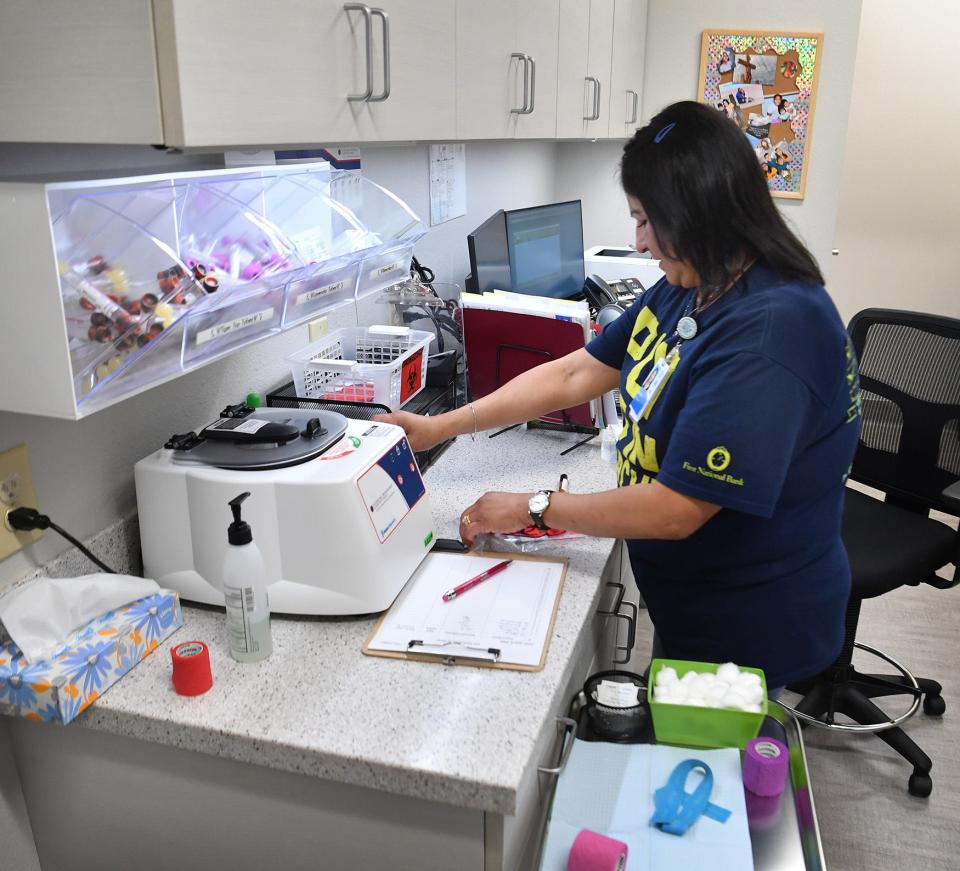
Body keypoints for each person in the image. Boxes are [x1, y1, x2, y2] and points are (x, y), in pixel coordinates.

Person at [376, 101, 861, 690]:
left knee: (722, 771)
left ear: (697, 213)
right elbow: (575, 375)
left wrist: (535, 507)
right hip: (694, 597)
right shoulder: (697, 285)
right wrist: (442, 426)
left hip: (749, 620)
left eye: (644, 220)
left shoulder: (769, 332)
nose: (640, 241)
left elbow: (679, 509)